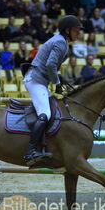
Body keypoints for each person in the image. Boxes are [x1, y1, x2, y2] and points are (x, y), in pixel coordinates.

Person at [22, 15, 82, 165]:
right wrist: (57, 83)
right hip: (36, 80)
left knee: (53, 109)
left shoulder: (61, 41)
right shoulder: (61, 42)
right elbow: (50, 65)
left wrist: (59, 79)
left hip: (39, 80)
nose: (78, 33)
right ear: (67, 30)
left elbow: (51, 66)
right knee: (46, 113)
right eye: (76, 30)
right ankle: (30, 152)